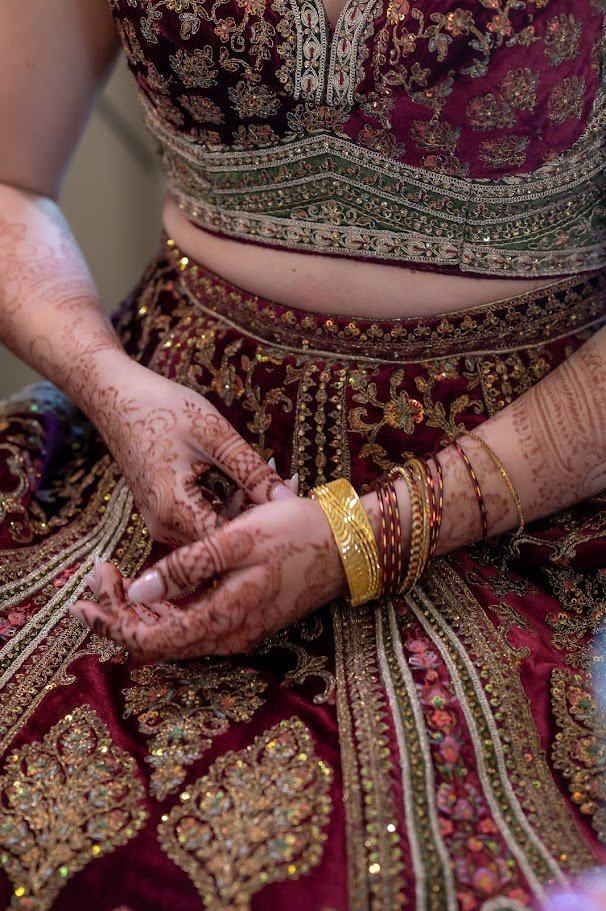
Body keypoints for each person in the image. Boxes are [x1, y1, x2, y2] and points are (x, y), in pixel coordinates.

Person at [0, 1, 605, 908]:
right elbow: (9, 178)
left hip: (529, 498)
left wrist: (375, 533)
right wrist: (109, 383)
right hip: (153, 454)